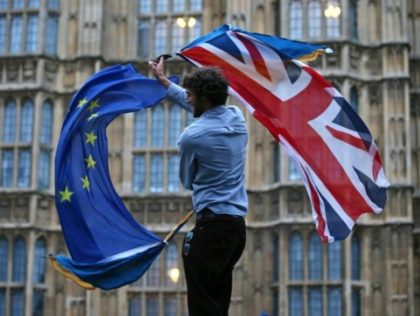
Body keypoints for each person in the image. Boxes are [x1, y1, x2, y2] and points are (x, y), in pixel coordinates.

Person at [149, 57, 248, 316]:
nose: (188, 99)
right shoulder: (237, 118)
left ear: (203, 98)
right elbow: (201, 107)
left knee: (203, 308)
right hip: (236, 229)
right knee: (218, 304)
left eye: (191, 95)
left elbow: (187, 181)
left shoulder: (191, 137)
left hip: (211, 228)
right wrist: (164, 82)